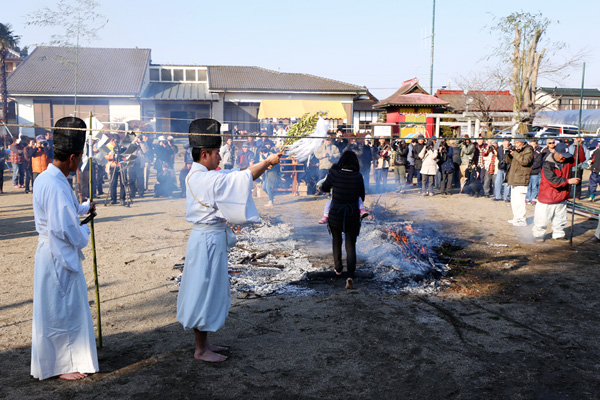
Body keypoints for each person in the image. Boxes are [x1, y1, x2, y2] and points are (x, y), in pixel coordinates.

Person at [177, 118, 282, 363]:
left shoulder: (200, 174)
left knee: (209, 288)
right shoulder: (205, 179)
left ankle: (205, 343)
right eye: (216, 153)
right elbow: (241, 178)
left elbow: (235, 175)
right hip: (207, 241)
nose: (220, 158)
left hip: (208, 238)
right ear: (204, 154)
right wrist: (267, 163)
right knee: (204, 289)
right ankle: (200, 349)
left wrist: (264, 163)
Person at [31, 116, 98, 380]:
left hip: (53, 250)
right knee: (61, 309)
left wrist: (85, 208)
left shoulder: (50, 178)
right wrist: (86, 228)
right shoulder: (54, 184)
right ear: (72, 157)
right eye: (80, 157)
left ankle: (66, 360)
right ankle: (62, 365)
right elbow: (67, 230)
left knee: (62, 307)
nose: (80, 162)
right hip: (58, 254)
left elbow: (67, 210)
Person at [321, 151, 365, 288]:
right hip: (352, 214)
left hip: (336, 214)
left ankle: (338, 268)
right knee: (350, 244)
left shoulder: (334, 174)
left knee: (336, 240)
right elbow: (361, 197)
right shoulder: (358, 176)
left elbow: (324, 188)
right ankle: (350, 274)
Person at [532, 143, 581, 240]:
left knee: (560, 219)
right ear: (556, 153)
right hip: (547, 198)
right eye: (563, 156)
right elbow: (553, 180)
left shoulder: (566, 161)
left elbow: (580, 159)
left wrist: (578, 146)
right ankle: (538, 235)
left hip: (561, 197)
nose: (564, 159)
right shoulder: (546, 164)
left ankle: (558, 235)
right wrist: (568, 181)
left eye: (566, 156)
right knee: (541, 220)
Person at [505, 134, 534, 227]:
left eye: (517, 143)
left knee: (520, 201)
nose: (516, 145)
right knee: (514, 201)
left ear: (522, 142)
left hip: (522, 178)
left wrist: (515, 153)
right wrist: (509, 154)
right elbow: (509, 162)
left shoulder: (528, 149)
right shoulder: (517, 150)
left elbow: (525, 161)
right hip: (514, 178)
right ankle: (516, 218)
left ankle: (522, 220)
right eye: (515, 143)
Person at [526, 139, 544, 205]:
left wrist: (531, 167)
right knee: (528, 186)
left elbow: (538, 162)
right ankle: (527, 197)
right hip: (527, 172)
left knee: (534, 186)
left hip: (535, 172)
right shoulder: (527, 152)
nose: (531, 146)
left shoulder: (538, 153)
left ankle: (533, 198)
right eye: (530, 144)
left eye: (533, 144)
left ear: (536, 145)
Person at [494, 138, 512, 203]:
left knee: (507, 183)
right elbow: (498, 157)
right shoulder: (500, 149)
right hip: (500, 167)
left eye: (506, 142)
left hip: (508, 168)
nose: (505, 143)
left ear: (509, 142)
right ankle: (498, 196)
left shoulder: (511, 149)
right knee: (497, 182)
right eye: (504, 142)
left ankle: (506, 197)